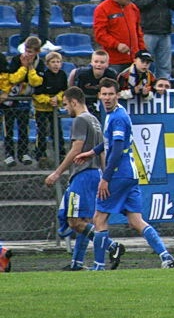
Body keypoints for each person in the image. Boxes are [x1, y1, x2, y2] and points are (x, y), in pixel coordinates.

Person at [74, 78, 174, 269]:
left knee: (99, 218)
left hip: (119, 174)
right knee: (136, 220)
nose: (107, 98)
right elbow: (109, 142)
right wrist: (93, 152)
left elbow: (118, 148)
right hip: (131, 173)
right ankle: (166, 256)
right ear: (99, 95)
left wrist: (105, 178)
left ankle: (98, 265)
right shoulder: (115, 114)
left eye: (111, 94)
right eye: (104, 94)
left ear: (117, 95)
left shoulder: (117, 117)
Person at [45, 86, 124, 271]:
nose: (65, 109)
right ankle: (77, 262)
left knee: (74, 221)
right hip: (95, 174)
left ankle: (112, 246)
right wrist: (105, 176)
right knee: (85, 220)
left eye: (66, 105)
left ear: (74, 102)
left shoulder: (80, 120)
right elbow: (102, 151)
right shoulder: (95, 120)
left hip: (83, 175)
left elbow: (76, 148)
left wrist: (57, 173)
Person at [5, 37, 44, 166]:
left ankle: (23, 153)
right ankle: (9, 154)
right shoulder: (16, 60)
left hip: (25, 101)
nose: (27, 54)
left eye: (31, 52)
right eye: (26, 51)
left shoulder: (40, 63)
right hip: (11, 100)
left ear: (37, 52)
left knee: (23, 127)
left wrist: (31, 68)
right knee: (8, 127)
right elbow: (13, 79)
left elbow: (36, 82)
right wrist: (23, 67)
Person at [93, 0, 145, 73]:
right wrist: (117, 45)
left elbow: (138, 32)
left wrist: (142, 51)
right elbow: (100, 35)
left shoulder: (133, 8)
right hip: (115, 61)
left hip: (134, 59)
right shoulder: (102, 9)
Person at [32, 51, 67, 166]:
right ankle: (40, 154)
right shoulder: (43, 76)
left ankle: (60, 154)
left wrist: (57, 98)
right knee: (41, 131)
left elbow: (64, 90)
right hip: (42, 109)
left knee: (57, 131)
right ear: (47, 64)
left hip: (55, 109)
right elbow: (37, 94)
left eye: (58, 62)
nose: (56, 64)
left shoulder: (62, 75)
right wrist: (48, 100)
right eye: (53, 62)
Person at [68, 50, 117, 115]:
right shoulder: (83, 73)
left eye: (102, 62)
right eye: (96, 62)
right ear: (91, 62)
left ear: (107, 64)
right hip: (84, 99)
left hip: (102, 100)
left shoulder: (111, 75)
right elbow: (73, 72)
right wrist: (71, 90)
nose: (98, 64)